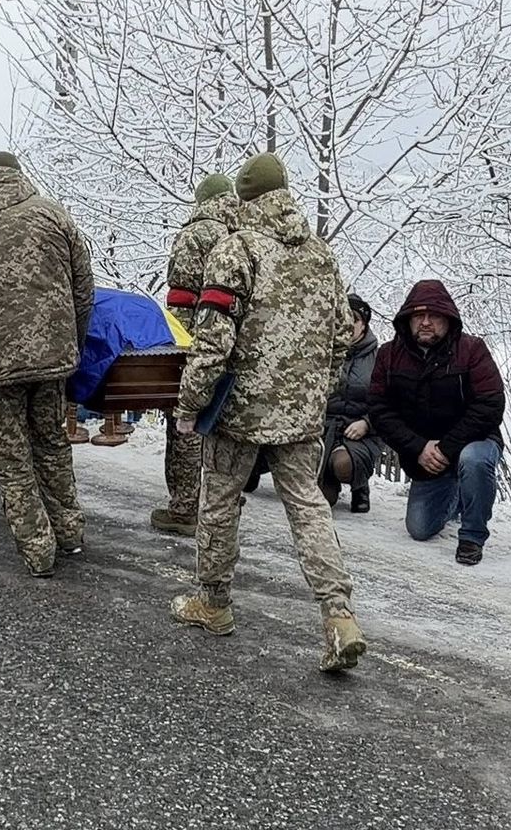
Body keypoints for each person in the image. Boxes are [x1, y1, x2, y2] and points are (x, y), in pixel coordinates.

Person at [169, 153, 366, 672]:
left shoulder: (236, 249)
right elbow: (342, 336)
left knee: (220, 500)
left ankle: (213, 603)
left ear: (244, 199)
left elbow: (212, 340)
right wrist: (317, 393)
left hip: (239, 410)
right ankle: (338, 616)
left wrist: (190, 404)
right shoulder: (320, 254)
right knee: (307, 507)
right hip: (300, 415)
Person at [0, 150, 94, 577]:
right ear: (18, 175)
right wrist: (70, 343)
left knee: (11, 455)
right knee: (51, 442)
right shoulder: (55, 217)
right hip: (52, 358)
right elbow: (83, 290)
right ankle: (69, 534)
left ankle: (37, 549)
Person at [369, 280, 505, 566]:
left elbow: (490, 405)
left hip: (472, 442)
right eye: (419, 316)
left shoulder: (472, 350)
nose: (426, 322)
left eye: (435, 316)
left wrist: (446, 448)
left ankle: (472, 536)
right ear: (407, 320)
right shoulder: (389, 355)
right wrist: (418, 448)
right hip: (425, 457)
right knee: (419, 529)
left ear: (449, 318)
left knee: (474, 460)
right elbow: (380, 410)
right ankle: (456, 494)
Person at [153, 172, 237, 536]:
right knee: (223, 425)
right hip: (234, 341)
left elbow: (181, 292)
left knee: (185, 422)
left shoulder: (196, 233)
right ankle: (222, 506)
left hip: (194, 338)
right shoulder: (242, 235)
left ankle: (185, 508)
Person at [320, 293, 385, 513]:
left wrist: (367, 423)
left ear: (363, 324)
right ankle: (326, 482)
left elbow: (388, 404)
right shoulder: (321, 350)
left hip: (359, 433)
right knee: (321, 502)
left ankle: (359, 485)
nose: (347, 325)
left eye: (353, 319)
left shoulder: (380, 358)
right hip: (322, 429)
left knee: (343, 465)